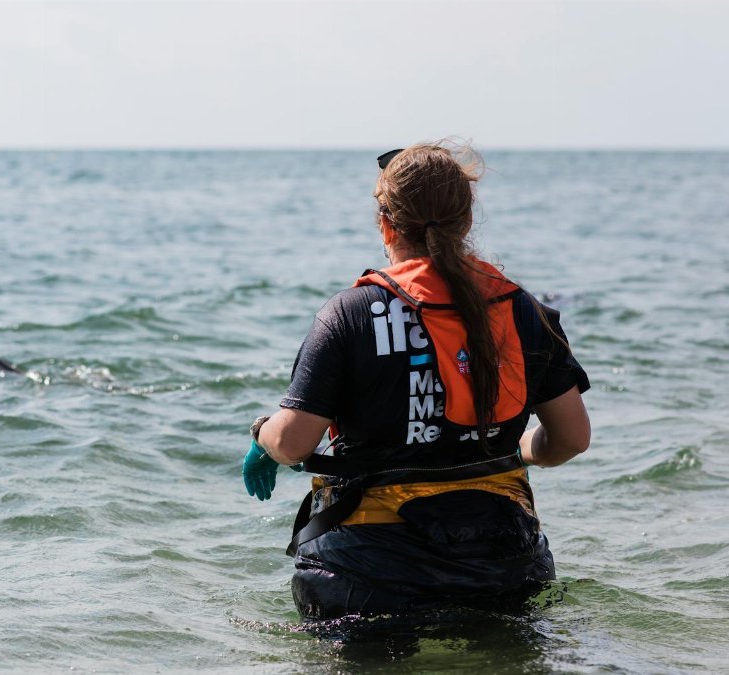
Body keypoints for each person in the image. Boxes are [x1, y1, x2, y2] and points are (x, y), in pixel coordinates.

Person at [241, 143, 591, 620]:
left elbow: (295, 442)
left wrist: (262, 434)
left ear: (385, 223)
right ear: (466, 222)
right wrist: (506, 448)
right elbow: (569, 440)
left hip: (370, 575)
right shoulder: (523, 310)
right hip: (503, 568)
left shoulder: (352, 313)